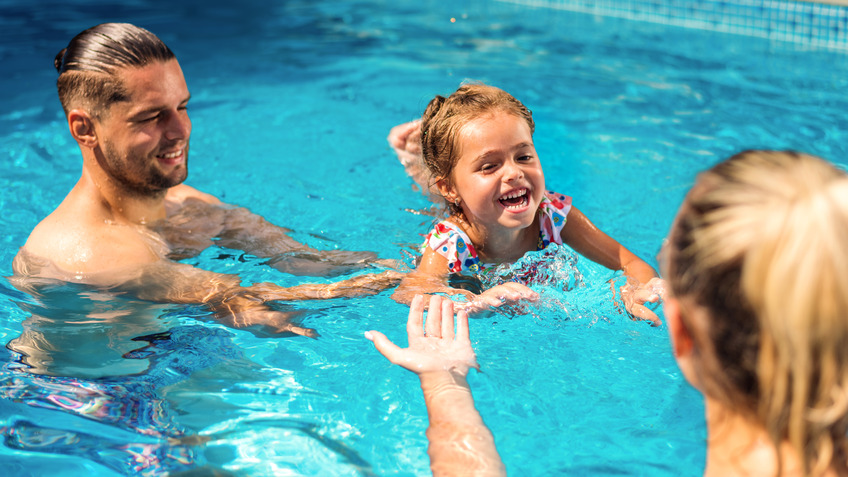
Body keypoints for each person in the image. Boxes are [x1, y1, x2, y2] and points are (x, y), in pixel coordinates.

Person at [369, 150, 848, 476]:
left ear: (682, 332)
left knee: (369, 274)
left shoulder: (553, 213)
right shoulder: (458, 238)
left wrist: (444, 384)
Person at [12, 23, 400, 337]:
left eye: (182, 107)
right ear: (84, 129)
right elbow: (245, 302)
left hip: (151, 360)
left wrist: (430, 227)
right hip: (84, 407)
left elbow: (304, 261)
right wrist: (400, 282)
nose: (181, 129)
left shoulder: (186, 202)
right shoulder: (86, 251)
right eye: (151, 117)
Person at [388, 83, 663, 323]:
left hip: (472, 203)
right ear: (449, 186)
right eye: (489, 166)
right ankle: (415, 165)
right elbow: (411, 292)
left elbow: (629, 262)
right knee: (378, 277)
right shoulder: (449, 243)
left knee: (470, 198)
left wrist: (633, 290)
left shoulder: (551, 213)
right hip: (458, 258)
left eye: (523, 157)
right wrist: (474, 301)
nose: (514, 173)